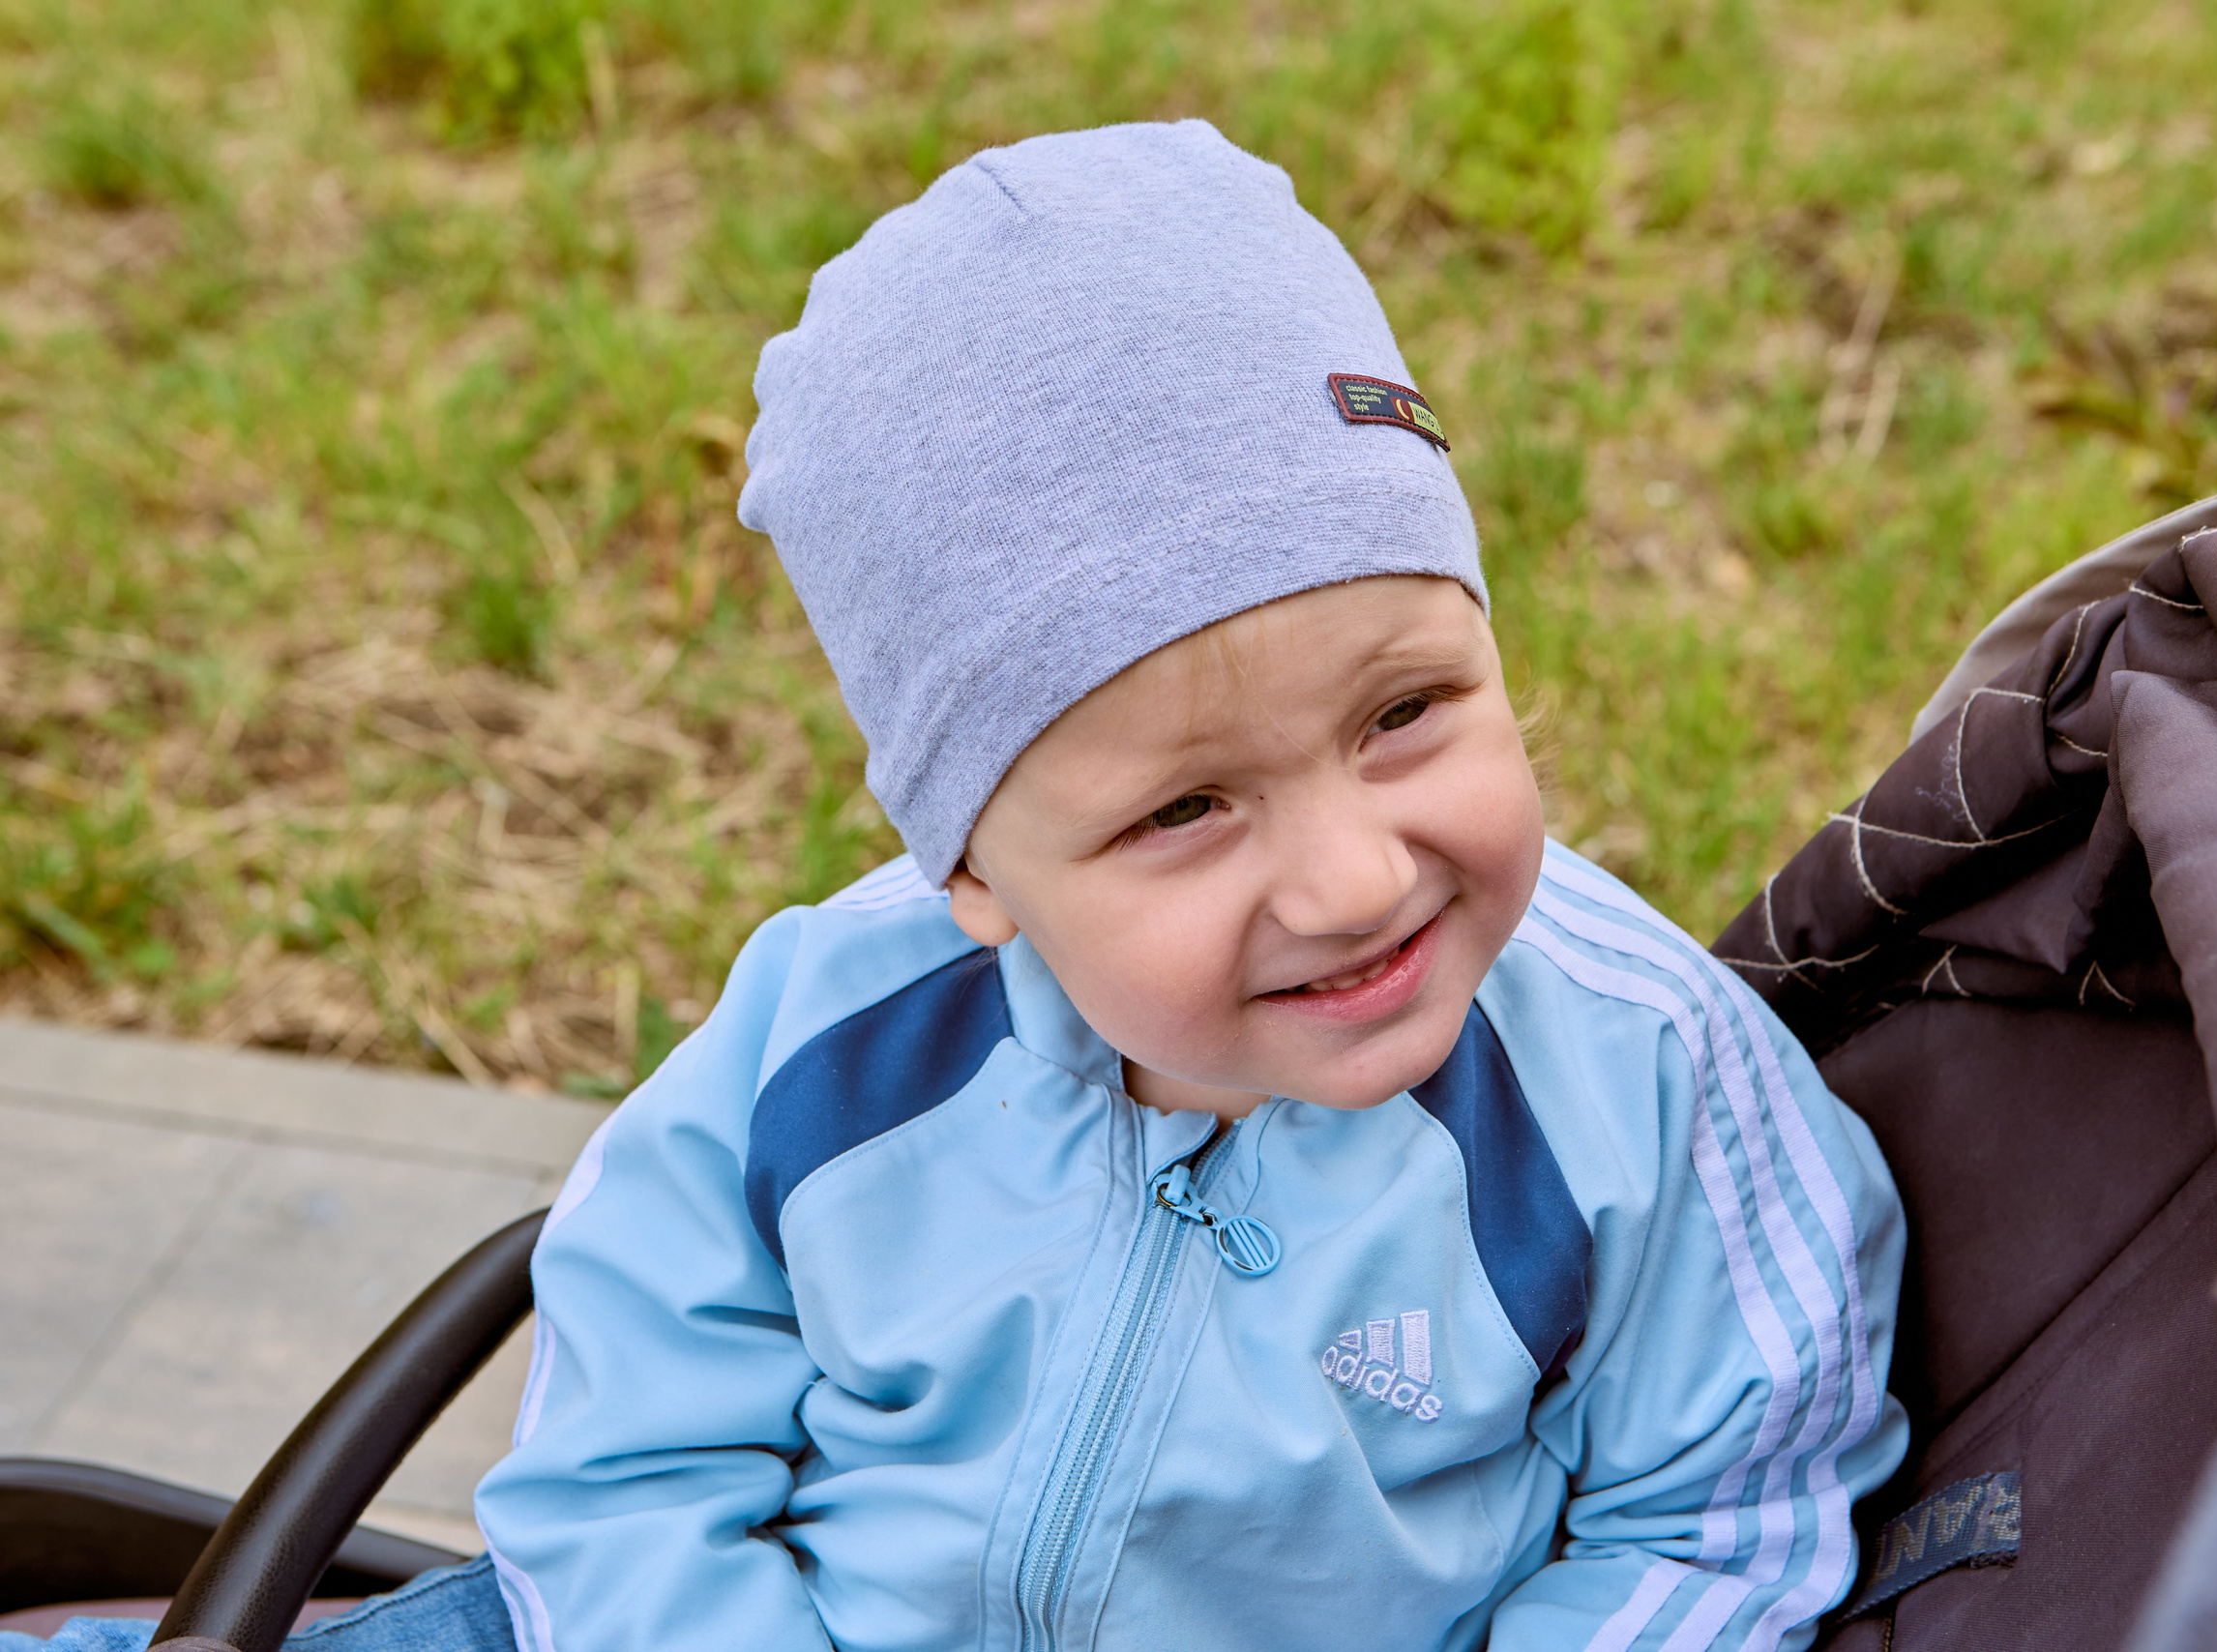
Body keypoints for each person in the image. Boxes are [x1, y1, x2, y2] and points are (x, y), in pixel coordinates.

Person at [9, 120, 1905, 1652]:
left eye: (1406, 708)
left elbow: (1719, 1512)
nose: (1349, 874)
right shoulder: (829, 1047)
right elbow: (629, 1469)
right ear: (977, 871)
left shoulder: (1639, 1090)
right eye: (1184, 811)